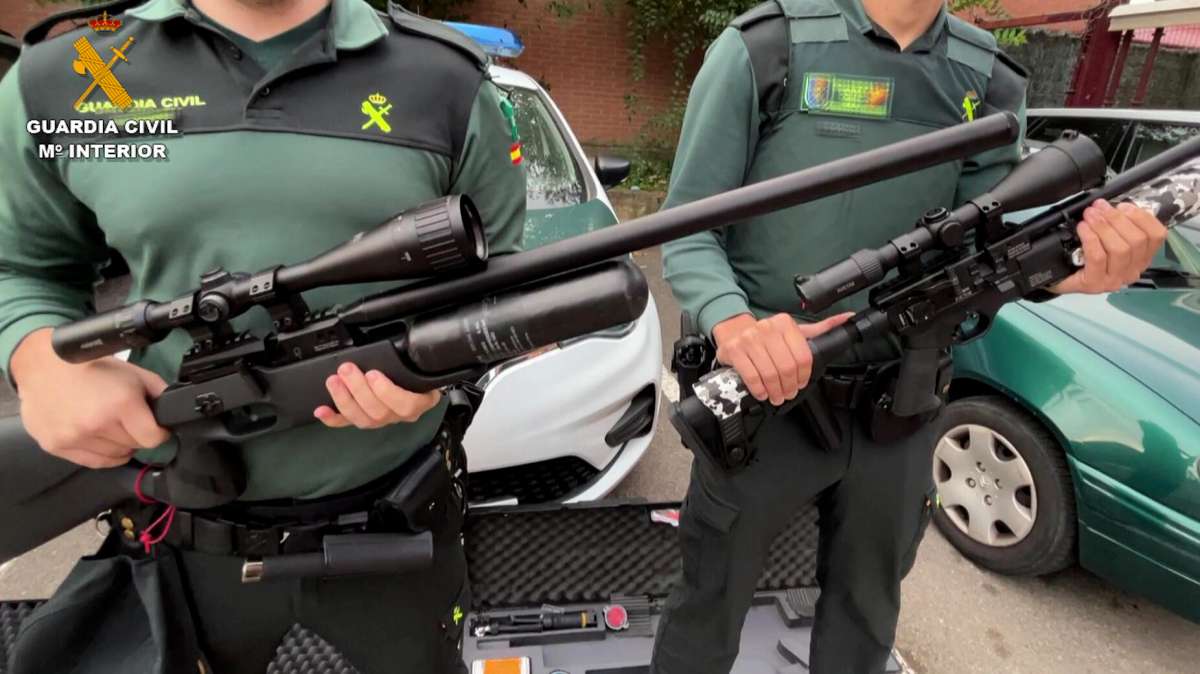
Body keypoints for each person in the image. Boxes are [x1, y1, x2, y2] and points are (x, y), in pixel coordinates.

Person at [0, 0, 525, 671]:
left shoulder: (445, 78)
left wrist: (435, 373)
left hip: (398, 533)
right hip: (180, 542)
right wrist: (40, 362)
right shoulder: (66, 76)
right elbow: (19, 265)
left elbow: (497, 285)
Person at [651, 1, 1167, 673]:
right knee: (709, 606)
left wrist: (1073, 271)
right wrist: (734, 324)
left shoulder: (990, 78)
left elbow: (987, 252)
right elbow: (689, 230)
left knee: (867, 619)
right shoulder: (767, 48)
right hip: (764, 398)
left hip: (902, 404)